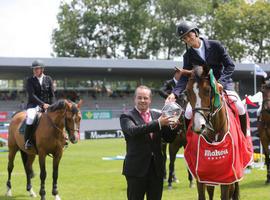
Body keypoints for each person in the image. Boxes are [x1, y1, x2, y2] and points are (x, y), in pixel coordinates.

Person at [167, 20, 247, 135]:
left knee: (239, 106)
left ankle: (243, 137)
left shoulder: (215, 45)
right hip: (202, 89)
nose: (188, 40)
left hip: (222, 83)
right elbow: (185, 78)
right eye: (184, 38)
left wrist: (221, 83)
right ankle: (189, 141)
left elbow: (230, 65)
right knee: (188, 112)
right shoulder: (188, 56)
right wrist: (174, 93)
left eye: (189, 35)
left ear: (196, 32)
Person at [120, 85, 178, 200]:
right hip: (136, 170)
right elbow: (133, 131)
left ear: (150, 100)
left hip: (156, 170)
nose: (142, 100)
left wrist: (173, 126)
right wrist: (159, 123)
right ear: (134, 99)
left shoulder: (157, 115)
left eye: (145, 98)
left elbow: (169, 138)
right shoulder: (126, 116)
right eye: (139, 97)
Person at [24, 60, 55, 149]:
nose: (35, 71)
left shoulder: (48, 79)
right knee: (30, 118)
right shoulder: (30, 80)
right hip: (33, 106)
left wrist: (52, 105)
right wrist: (42, 104)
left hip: (48, 105)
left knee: (58, 116)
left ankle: (62, 138)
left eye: (37, 69)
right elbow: (32, 95)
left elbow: (52, 94)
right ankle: (27, 141)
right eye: (34, 69)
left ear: (42, 69)